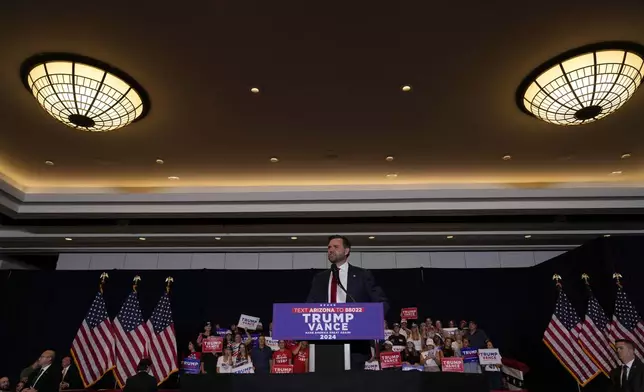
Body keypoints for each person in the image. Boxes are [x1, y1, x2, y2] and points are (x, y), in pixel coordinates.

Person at [306, 235, 389, 371]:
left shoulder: (362, 275)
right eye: (329, 247)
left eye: (335, 247)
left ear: (346, 251)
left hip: (355, 345)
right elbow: (309, 306)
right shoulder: (319, 278)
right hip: (323, 345)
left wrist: (368, 322)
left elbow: (382, 303)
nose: (330, 250)